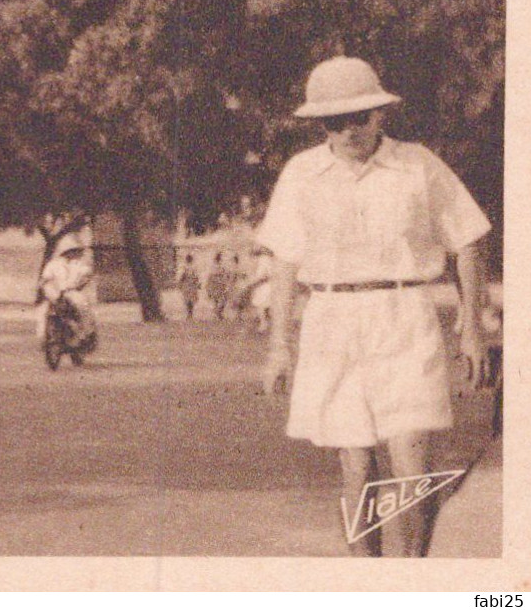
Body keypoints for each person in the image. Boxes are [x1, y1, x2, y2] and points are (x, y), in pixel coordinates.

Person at [257, 57, 491, 557]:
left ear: (380, 114)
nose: (348, 131)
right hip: (331, 321)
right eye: (334, 122)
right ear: (320, 125)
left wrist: (471, 324)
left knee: (412, 462)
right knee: (356, 466)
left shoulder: (418, 165)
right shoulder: (302, 174)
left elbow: (468, 238)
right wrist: (279, 348)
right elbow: (284, 264)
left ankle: (411, 580)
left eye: (358, 117)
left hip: (404, 315)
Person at [35, 232, 97, 343]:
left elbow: (86, 275)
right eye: (74, 251)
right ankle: (45, 338)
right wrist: (44, 286)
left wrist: (82, 283)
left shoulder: (79, 264)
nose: (77, 253)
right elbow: (46, 278)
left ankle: (84, 334)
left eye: (78, 251)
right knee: (43, 313)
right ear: (67, 252)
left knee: (83, 308)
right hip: (55, 292)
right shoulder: (54, 264)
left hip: (72, 292)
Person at [176, 252, 201, 320]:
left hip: (190, 284)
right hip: (187, 284)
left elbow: (196, 276)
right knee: (187, 298)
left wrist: (197, 283)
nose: (189, 260)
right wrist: (180, 284)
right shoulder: (184, 267)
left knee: (191, 298)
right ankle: (189, 312)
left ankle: (190, 312)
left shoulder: (193, 267)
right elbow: (182, 276)